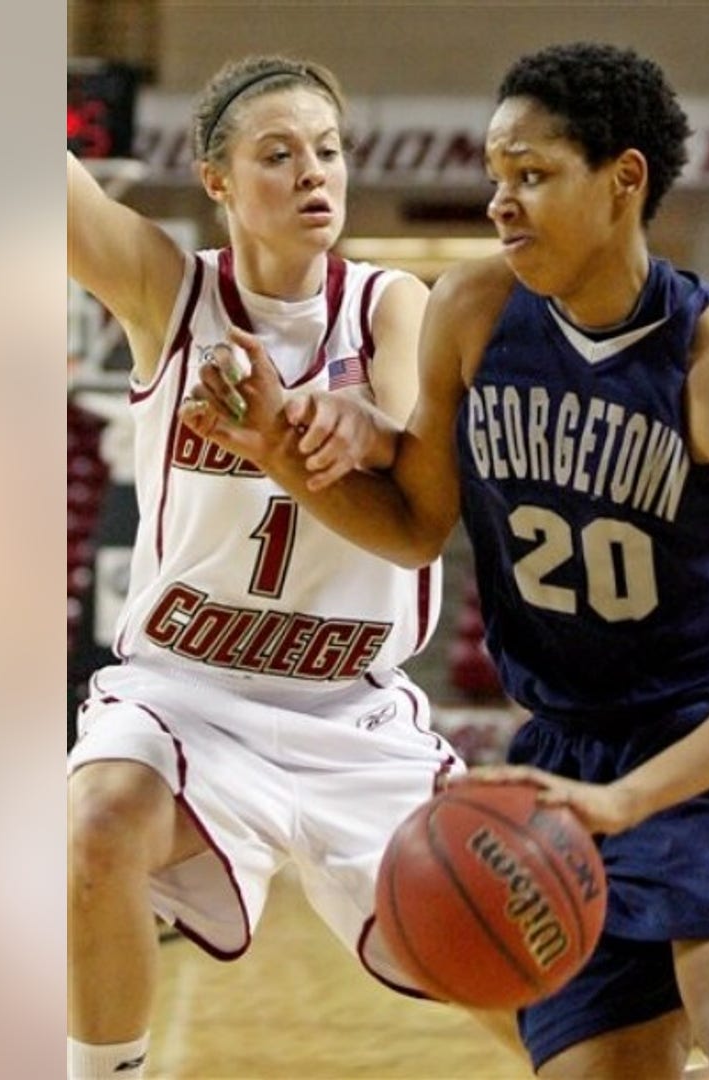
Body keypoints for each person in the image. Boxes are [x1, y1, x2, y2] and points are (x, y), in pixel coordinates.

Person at [183, 42, 709, 1079]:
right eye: (498, 177)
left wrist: (639, 800)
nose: (501, 203)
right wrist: (282, 455)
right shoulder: (477, 317)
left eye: (532, 176)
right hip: (566, 760)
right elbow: (411, 525)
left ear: (624, 182)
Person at [64, 55, 465, 1080]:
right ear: (218, 181)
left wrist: (358, 430)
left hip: (352, 710)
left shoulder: (390, 307)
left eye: (327, 151)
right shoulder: (169, 291)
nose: (313, 174)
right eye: (278, 155)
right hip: (187, 688)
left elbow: (414, 511)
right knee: (101, 819)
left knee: (517, 977)